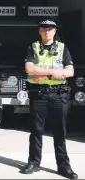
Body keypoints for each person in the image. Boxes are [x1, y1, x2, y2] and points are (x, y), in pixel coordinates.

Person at [20, 18, 78, 180]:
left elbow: (70, 71)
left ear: (55, 31)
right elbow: (29, 69)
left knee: (60, 131)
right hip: (39, 94)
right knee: (36, 130)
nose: (47, 31)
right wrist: (53, 73)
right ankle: (33, 162)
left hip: (59, 94)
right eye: (44, 28)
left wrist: (45, 74)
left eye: (50, 28)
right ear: (39, 30)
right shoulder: (33, 47)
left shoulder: (62, 48)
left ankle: (64, 166)